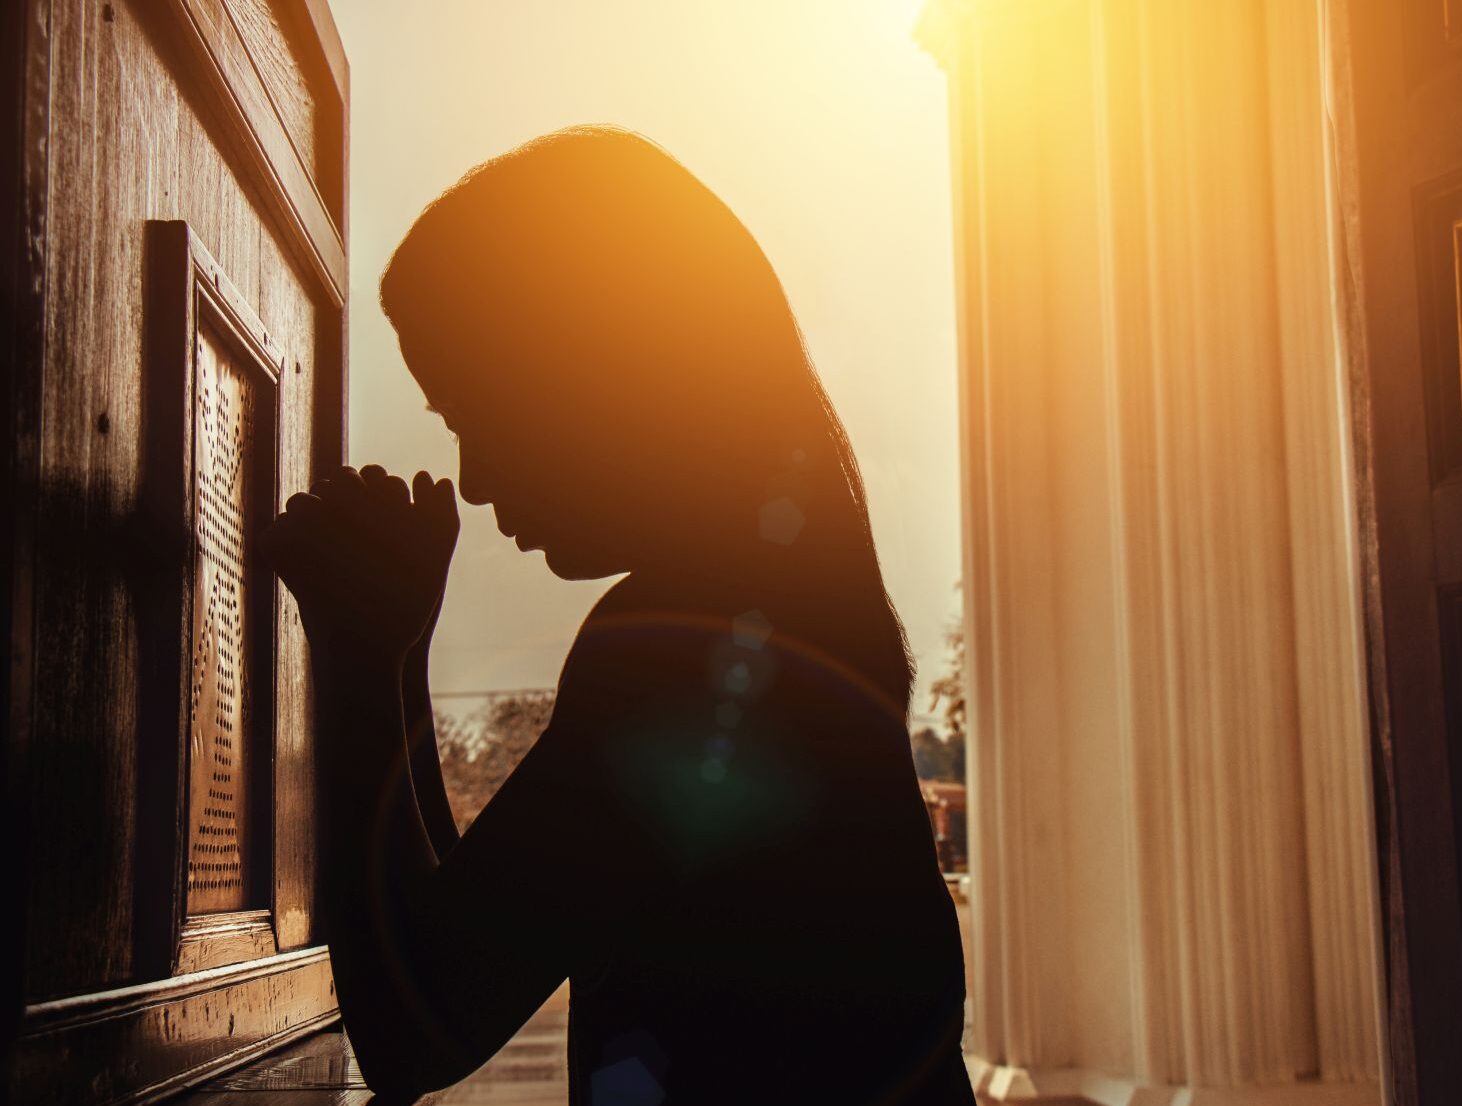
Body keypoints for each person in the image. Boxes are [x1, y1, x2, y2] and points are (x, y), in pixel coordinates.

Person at [263, 125, 972, 1105]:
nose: (470, 478)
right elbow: (451, 932)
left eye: (473, 409)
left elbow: (413, 1031)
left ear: (586, 375)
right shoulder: (781, 603)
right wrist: (394, 655)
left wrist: (352, 652)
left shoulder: (687, 652)